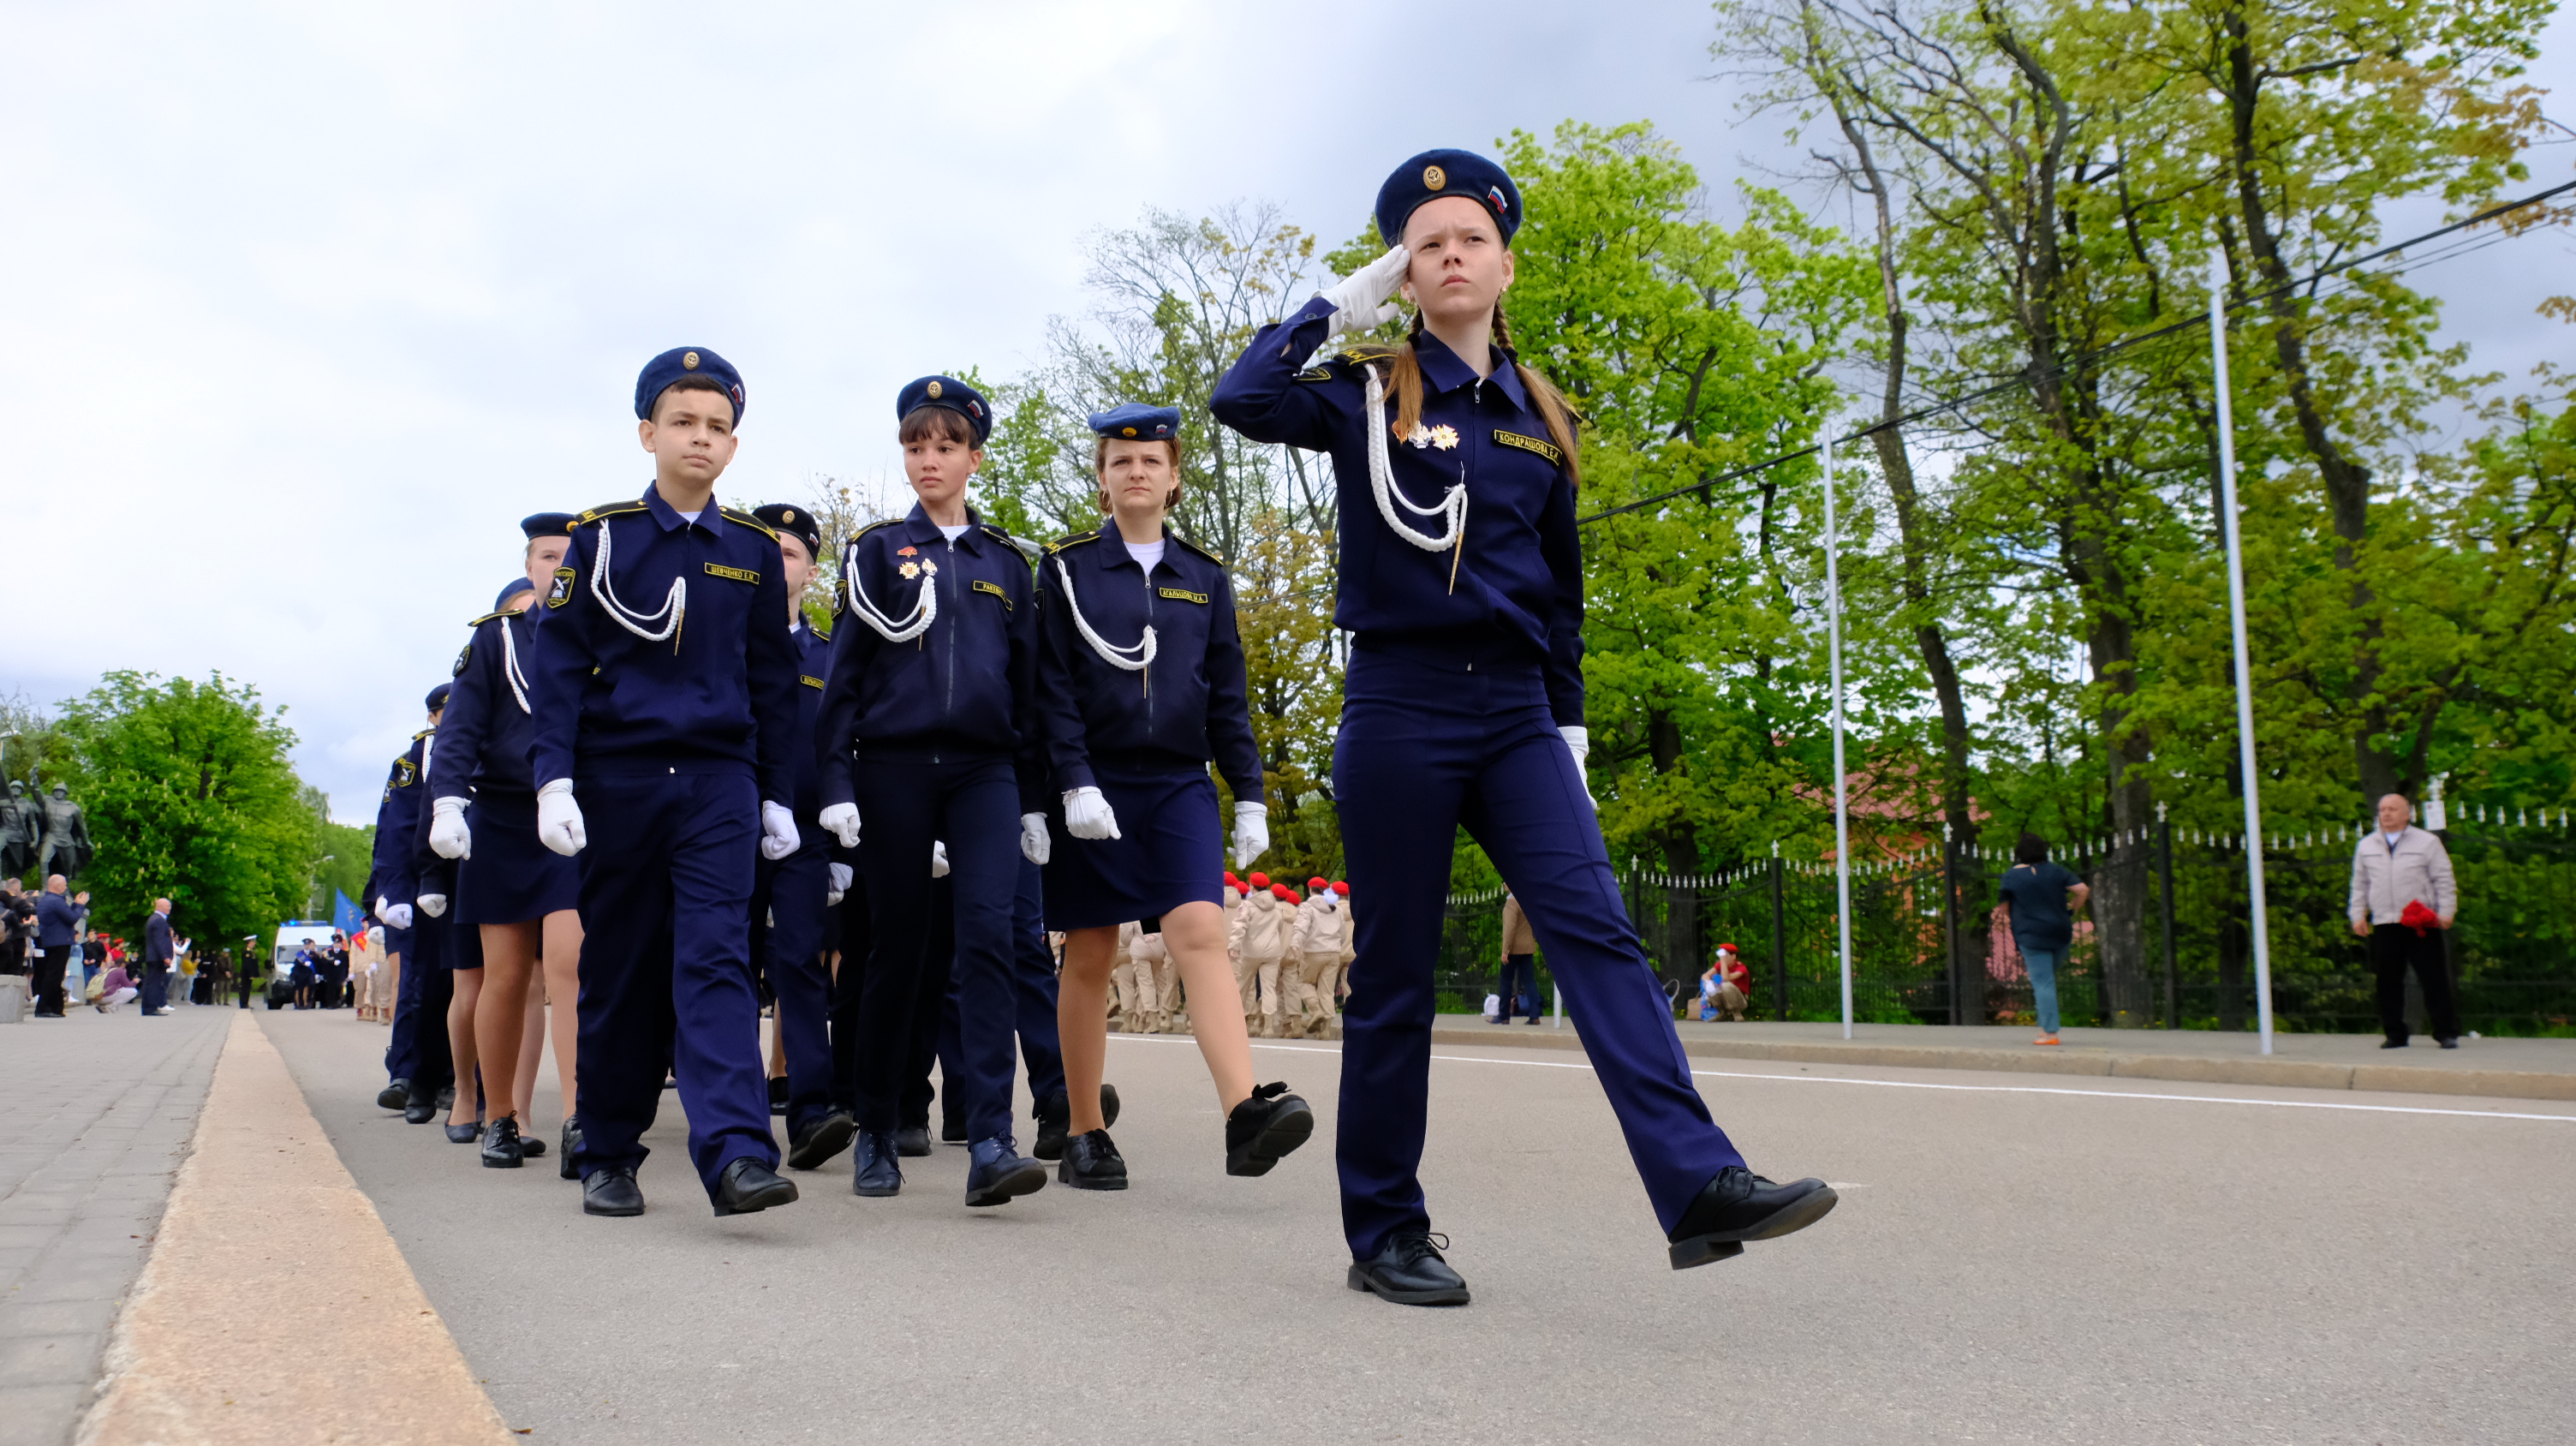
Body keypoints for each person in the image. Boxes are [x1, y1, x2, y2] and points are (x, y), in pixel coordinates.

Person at [1212, 147, 1837, 1306]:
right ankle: (1384, 1232)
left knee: (1597, 932)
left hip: (1514, 714)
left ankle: (1697, 1182)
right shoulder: (1365, 393)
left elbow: (1562, 596)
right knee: (1396, 974)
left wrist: (1570, 727)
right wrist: (1339, 304)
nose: (1451, 256)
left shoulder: (1544, 415)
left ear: (1504, 266)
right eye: (1426, 246)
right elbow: (1240, 398)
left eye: (1471, 240)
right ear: (1406, 273)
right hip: (1399, 702)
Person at [526, 345, 802, 1221]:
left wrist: (776, 792)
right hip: (622, 778)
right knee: (625, 967)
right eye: (683, 421)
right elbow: (558, 669)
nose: (700, 438)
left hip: (719, 781)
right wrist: (552, 780)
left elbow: (772, 684)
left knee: (718, 958)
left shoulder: (751, 550)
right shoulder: (602, 538)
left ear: (733, 445)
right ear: (648, 433)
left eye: (717, 426)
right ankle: (607, 1148)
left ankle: (737, 1153)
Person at [1035, 401, 1309, 1190]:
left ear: (1173, 476)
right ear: (1102, 478)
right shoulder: (1067, 569)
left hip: (1180, 782)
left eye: (1151, 460)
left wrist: (1249, 792)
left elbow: (1227, 694)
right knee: (1092, 950)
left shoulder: (1204, 576)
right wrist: (1073, 780)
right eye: (1120, 461)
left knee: (1200, 929)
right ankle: (1084, 1130)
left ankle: (1243, 1112)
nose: (1136, 472)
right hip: (1095, 781)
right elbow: (1051, 687)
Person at [814, 373, 1051, 1209]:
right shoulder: (877, 552)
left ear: (973, 458)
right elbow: (844, 676)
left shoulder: (1007, 564)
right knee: (898, 950)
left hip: (985, 770)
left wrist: (1034, 797)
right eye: (916, 445)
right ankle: (877, 1125)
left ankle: (991, 1138)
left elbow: (1028, 689)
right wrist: (835, 778)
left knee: (988, 938)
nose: (929, 459)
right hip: (893, 767)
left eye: (946, 445)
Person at [429, 534, 588, 1172]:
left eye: (569, 556)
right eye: (547, 556)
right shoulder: (496, 639)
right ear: (528, 566)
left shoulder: (601, 634)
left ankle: (580, 1117)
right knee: (505, 974)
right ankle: (500, 1116)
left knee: (571, 964)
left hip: (572, 818)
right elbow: (460, 731)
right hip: (502, 818)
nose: (558, 566)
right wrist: (447, 803)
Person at [743, 500, 859, 1174]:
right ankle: (733, 1109)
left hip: (807, 835)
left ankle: (811, 1111)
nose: (776, 561)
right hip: (730, 826)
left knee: (801, 966)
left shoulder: (825, 654)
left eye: (789, 552)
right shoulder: (726, 643)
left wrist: (841, 851)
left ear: (811, 572)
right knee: (727, 964)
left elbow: (838, 748)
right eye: (766, 549)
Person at [2347, 792, 2461, 1049]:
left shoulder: (2427, 842)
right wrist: (2357, 914)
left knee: (2433, 978)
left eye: (2393, 809)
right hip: (2385, 921)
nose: (2386, 814)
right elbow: (2360, 883)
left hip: (2420, 921)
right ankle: (2395, 1033)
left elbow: (2443, 878)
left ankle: (2445, 1031)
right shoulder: (2366, 845)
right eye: (2382, 809)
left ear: (2407, 813)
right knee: (2388, 980)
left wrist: (2446, 911)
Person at [1995, 834, 2088, 1045]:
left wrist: (2012, 920)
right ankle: (2047, 1025)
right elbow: (2082, 889)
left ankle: (2049, 1032)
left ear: (2019, 853)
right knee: (2047, 978)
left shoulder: (2011, 876)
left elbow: (2004, 907)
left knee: (2043, 982)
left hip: (2031, 934)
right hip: (2060, 932)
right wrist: (2074, 906)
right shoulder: (2057, 871)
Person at [31, 875, 78, 1017]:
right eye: (64, 884)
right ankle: (43, 1007)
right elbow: (72, 918)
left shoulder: (48, 900)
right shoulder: (55, 901)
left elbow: (67, 914)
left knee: (56, 975)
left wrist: (75, 904)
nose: (66, 886)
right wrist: (80, 905)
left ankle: (56, 1007)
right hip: (59, 941)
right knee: (53, 975)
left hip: (53, 941)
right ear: (56, 885)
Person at [1494, 889, 1540, 1024]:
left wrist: (1505, 951)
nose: (1504, 884)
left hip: (1513, 949)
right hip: (1528, 947)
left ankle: (1504, 1015)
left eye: (1505, 882)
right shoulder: (1526, 900)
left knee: (1506, 980)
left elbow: (1510, 927)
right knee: (1529, 981)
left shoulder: (1511, 903)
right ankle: (1535, 1014)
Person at [140, 899, 176, 1015]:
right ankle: (151, 1008)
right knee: (154, 983)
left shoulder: (155, 919)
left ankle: (149, 1007)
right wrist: (165, 956)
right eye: (167, 906)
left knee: (152, 982)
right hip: (157, 957)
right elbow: (159, 940)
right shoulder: (158, 920)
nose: (169, 908)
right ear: (159, 906)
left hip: (154, 957)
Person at [1700, 945, 1750, 1022]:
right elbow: (1705, 975)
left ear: (1733, 957)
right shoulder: (1720, 964)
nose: (1722, 958)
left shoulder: (1741, 967)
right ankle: (1721, 1012)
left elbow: (1726, 978)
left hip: (1740, 1000)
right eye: (1721, 956)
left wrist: (1723, 962)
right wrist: (1708, 983)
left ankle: (1736, 1012)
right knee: (1708, 985)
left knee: (1725, 985)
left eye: (1725, 956)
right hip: (1725, 998)